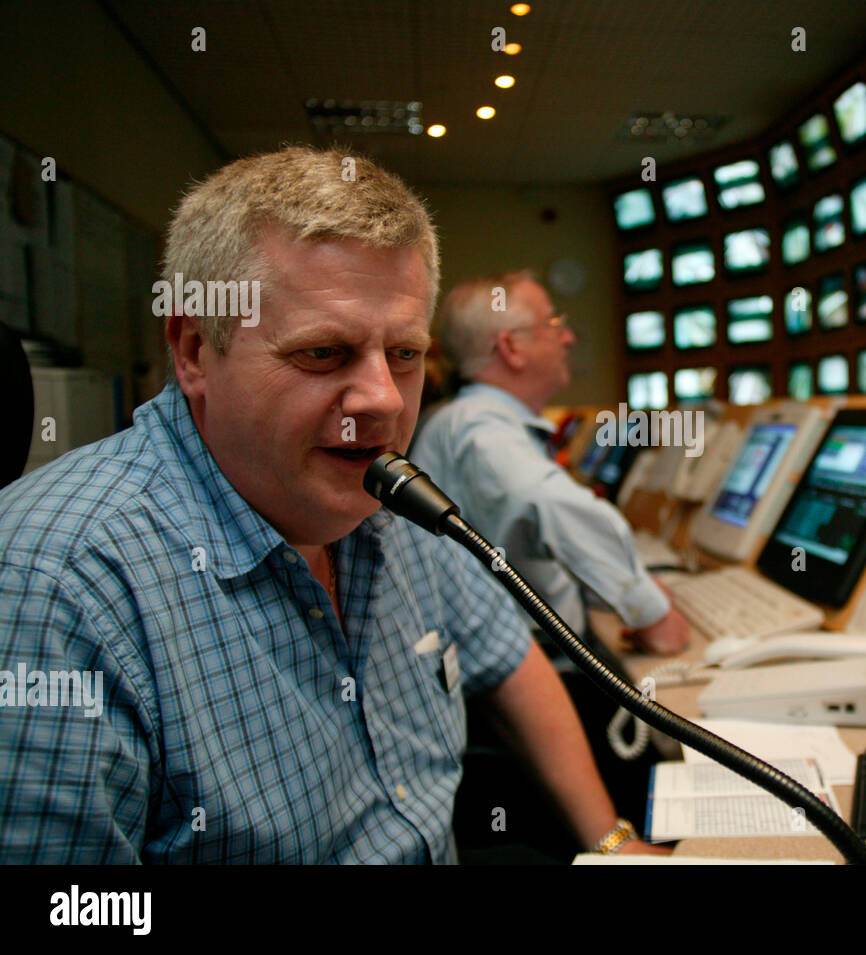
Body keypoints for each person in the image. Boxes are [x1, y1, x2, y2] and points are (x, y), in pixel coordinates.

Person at [0, 146, 661, 863]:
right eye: (324, 353)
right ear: (194, 349)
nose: (381, 399)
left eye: (404, 355)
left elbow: (510, 659)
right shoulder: (56, 584)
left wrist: (613, 840)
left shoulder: (390, 498)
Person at [411, 271, 689, 657]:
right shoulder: (478, 426)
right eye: (552, 324)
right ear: (511, 348)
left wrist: (611, 593)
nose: (568, 337)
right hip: (534, 663)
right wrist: (651, 614)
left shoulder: (466, 419)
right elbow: (544, 500)